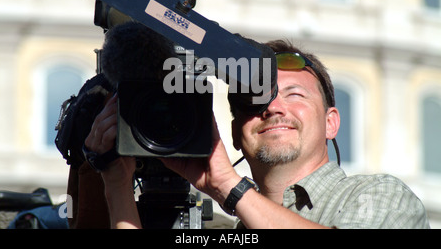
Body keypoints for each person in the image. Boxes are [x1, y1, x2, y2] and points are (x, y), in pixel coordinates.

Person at [84, 39, 430, 229]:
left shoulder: (381, 196)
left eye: (294, 95)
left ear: (331, 122)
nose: (273, 108)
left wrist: (228, 186)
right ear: (236, 133)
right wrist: (115, 182)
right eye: (252, 102)